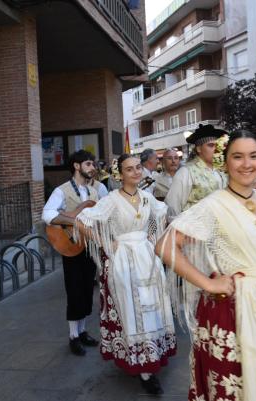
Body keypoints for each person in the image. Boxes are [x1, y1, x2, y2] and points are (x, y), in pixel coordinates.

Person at [156, 130, 256, 401]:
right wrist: (208, 282)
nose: (247, 164)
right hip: (232, 307)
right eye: (237, 157)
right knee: (237, 382)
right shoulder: (213, 206)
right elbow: (165, 245)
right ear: (224, 162)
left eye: (253, 156)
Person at [75, 154, 176, 395]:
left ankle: (151, 354)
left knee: (153, 305)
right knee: (132, 309)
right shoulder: (111, 200)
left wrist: (152, 240)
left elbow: (159, 217)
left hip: (147, 258)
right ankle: (144, 368)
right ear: (120, 174)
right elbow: (81, 221)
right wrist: (106, 244)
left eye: (138, 167)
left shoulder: (147, 197)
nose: (135, 172)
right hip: (123, 261)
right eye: (129, 169)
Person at [42, 150, 100, 356]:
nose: (92, 168)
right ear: (76, 166)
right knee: (74, 291)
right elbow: (47, 214)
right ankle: (73, 336)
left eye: (93, 164)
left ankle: (83, 331)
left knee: (86, 290)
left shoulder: (94, 192)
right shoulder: (61, 190)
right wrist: (74, 222)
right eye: (88, 164)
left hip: (89, 247)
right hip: (70, 245)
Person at [165, 124, 227, 217]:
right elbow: (172, 207)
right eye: (211, 145)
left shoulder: (222, 171)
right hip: (194, 228)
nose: (216, 149)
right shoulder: (186, 172)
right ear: (199, 149)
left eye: (217, 145)